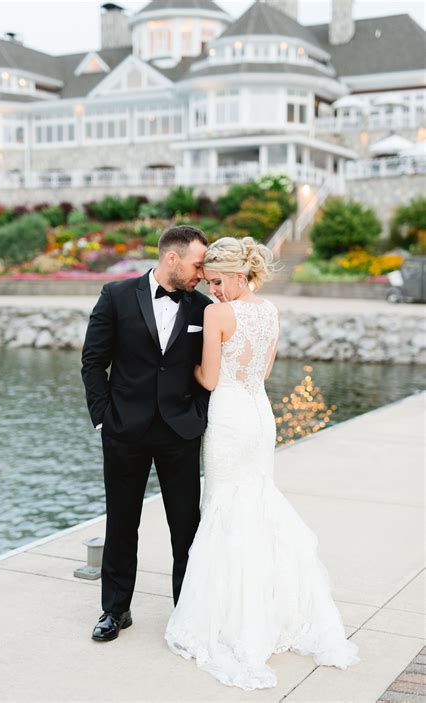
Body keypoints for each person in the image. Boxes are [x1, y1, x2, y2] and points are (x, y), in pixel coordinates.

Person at [165, 236, 360, 690]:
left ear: (236, 274)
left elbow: (210, 379)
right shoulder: (270, 311)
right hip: (258, 413)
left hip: (230, 417)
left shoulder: (217, 314)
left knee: (225, 507)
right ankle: (268, 609)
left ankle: (232, 617)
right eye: (208, 282)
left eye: (217, 281)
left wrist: (186, 369)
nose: (212, 289)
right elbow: (265, 372)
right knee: (256, 502)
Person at [81, 225, 211, 642]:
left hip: (180, 432)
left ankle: (187, 612)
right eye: (197, 264)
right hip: (124, 431)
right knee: (121, 523)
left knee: (186, 527)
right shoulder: (116, 296)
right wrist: (103, 418)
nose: (202, 274)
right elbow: (93, 362)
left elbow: (212, 374)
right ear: (172, 258)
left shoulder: (203, 308)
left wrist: (199, 419)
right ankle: (115, 610)